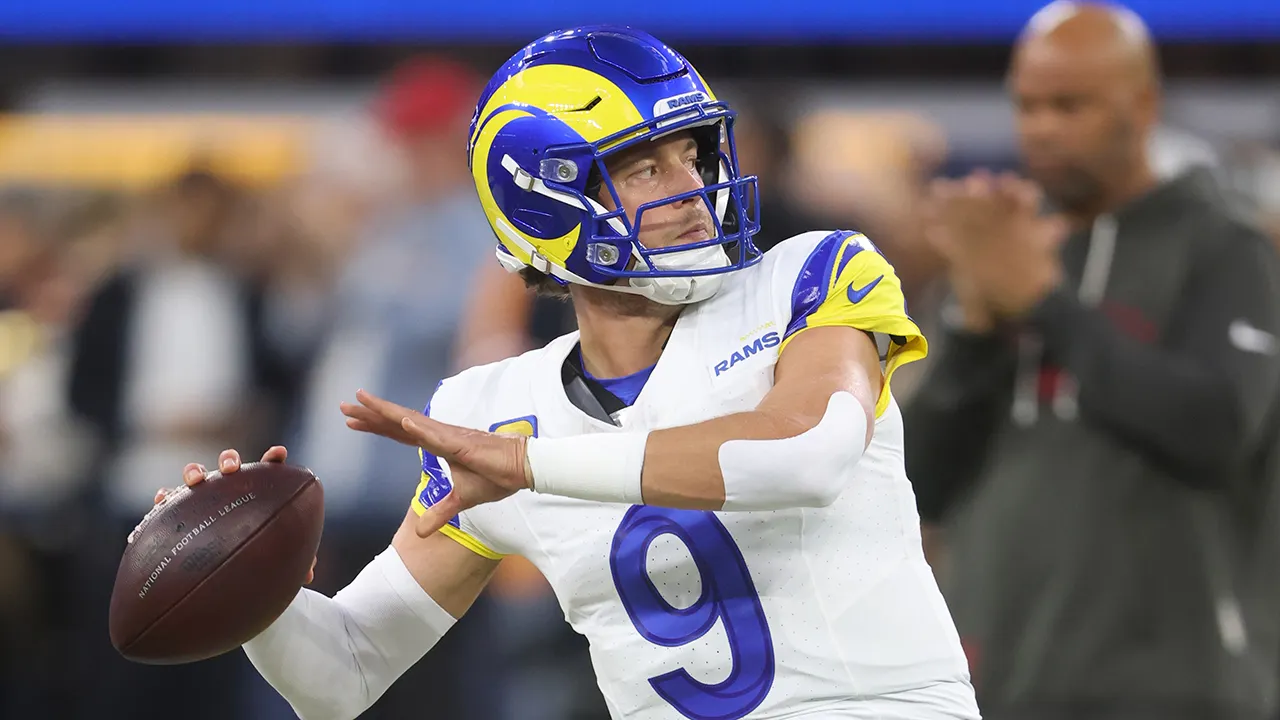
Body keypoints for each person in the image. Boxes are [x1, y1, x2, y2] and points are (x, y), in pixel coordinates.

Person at [151, 26, 978, 720]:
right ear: (542, 200)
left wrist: (527, 466)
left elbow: (808, 451)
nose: (694, 188)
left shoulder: (812, 276)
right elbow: (346, 672)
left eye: (693, 154)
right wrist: (256, 594)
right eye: (647, 166)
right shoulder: (498, 405)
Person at [906, 3, 1280, 720]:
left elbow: (1217, 428)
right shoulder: (1006, 247)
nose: (1042, 126)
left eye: (1069, 104)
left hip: (1176, 686)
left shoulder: (1224, 247)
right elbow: (921, 480)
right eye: (1028, 104)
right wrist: (980, 327)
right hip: (1001, 676)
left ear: (1142, 104)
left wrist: (1046, 303)